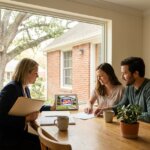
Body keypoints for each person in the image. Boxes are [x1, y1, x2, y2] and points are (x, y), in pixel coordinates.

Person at [0, 58, 50, 149]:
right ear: (27, 72)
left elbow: (33, 107)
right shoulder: (11, 89)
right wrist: (27, 118)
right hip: (8, 139)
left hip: (19, 133)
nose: (37, 76)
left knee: (44, 142)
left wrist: (52, 108)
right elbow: (2, 118)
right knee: (41, 144)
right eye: (35, 73)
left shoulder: (25, 88)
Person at [94, 57, 150, 123]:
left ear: (136, 73)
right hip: (135, 127)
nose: (122, 77)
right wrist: (106, 110)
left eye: (125, 73)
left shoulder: (148, 88)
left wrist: (129, 113)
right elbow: (121, 106)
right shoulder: (129, 88)